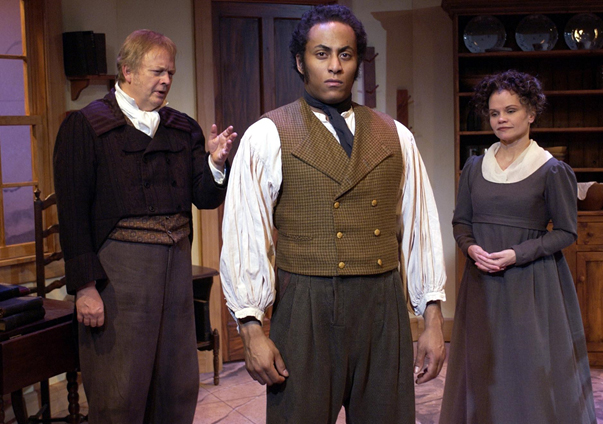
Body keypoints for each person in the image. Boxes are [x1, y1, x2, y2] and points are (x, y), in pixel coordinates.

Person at [219, 5, 446, 424]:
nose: (335, 65)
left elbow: (420, 230)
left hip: (382, 309)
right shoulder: (267, 134)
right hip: (304, 307)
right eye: (321, 54)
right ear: (300, 61)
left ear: (358, 61)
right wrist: (251, 328)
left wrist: (431, 319)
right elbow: (245, 234)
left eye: (346, 54)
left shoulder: (396, 136)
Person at [53, 29, 236, 424]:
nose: (166, 80)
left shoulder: (182, 127)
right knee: (120, 391)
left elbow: (203, 197)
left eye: (170, 72)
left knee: (177, 387)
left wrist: (216, 164)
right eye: (157, 71)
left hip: (173, 279)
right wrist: (85, 288)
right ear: (128, 71)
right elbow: (72, 215)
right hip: (118, 282)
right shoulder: (85, 127)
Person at [439, 70, 596, 423]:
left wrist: (517, 254)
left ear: (530, 113)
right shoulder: (475, 167)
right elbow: (460, 222)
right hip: (482, 285)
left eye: (510, 111)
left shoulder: (551, 170)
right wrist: (470, 248)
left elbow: (567, 233)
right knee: (484, 367)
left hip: (532, 284)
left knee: (530, 370)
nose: (501, 120)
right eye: (494, 113)